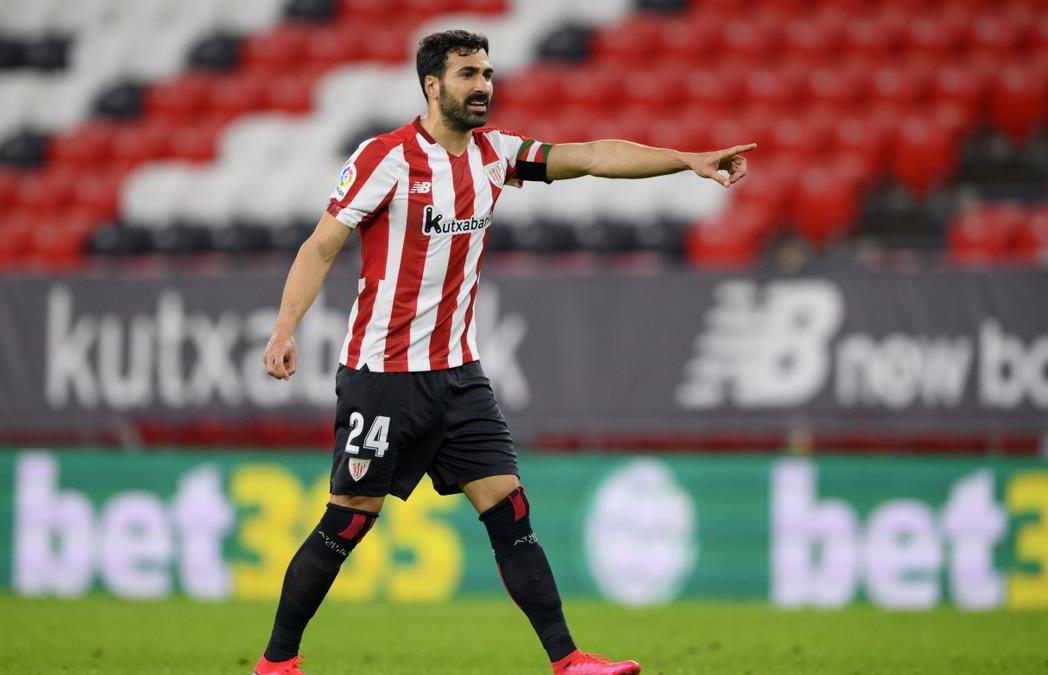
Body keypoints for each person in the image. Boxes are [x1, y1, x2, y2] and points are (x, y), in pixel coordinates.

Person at [254, 29, 753, 675]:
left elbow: (595, 155)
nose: (483, 85)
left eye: (487, 72)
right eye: (467, 74)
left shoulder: (496, 154)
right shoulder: (386, 158)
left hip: (459, 374)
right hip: (385, 377)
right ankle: (276, 662)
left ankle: (568, 659)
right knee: (349, 519)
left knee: (508, 504)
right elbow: (321, 245)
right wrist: (285, 327)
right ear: (433, 85)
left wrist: (687, 159)